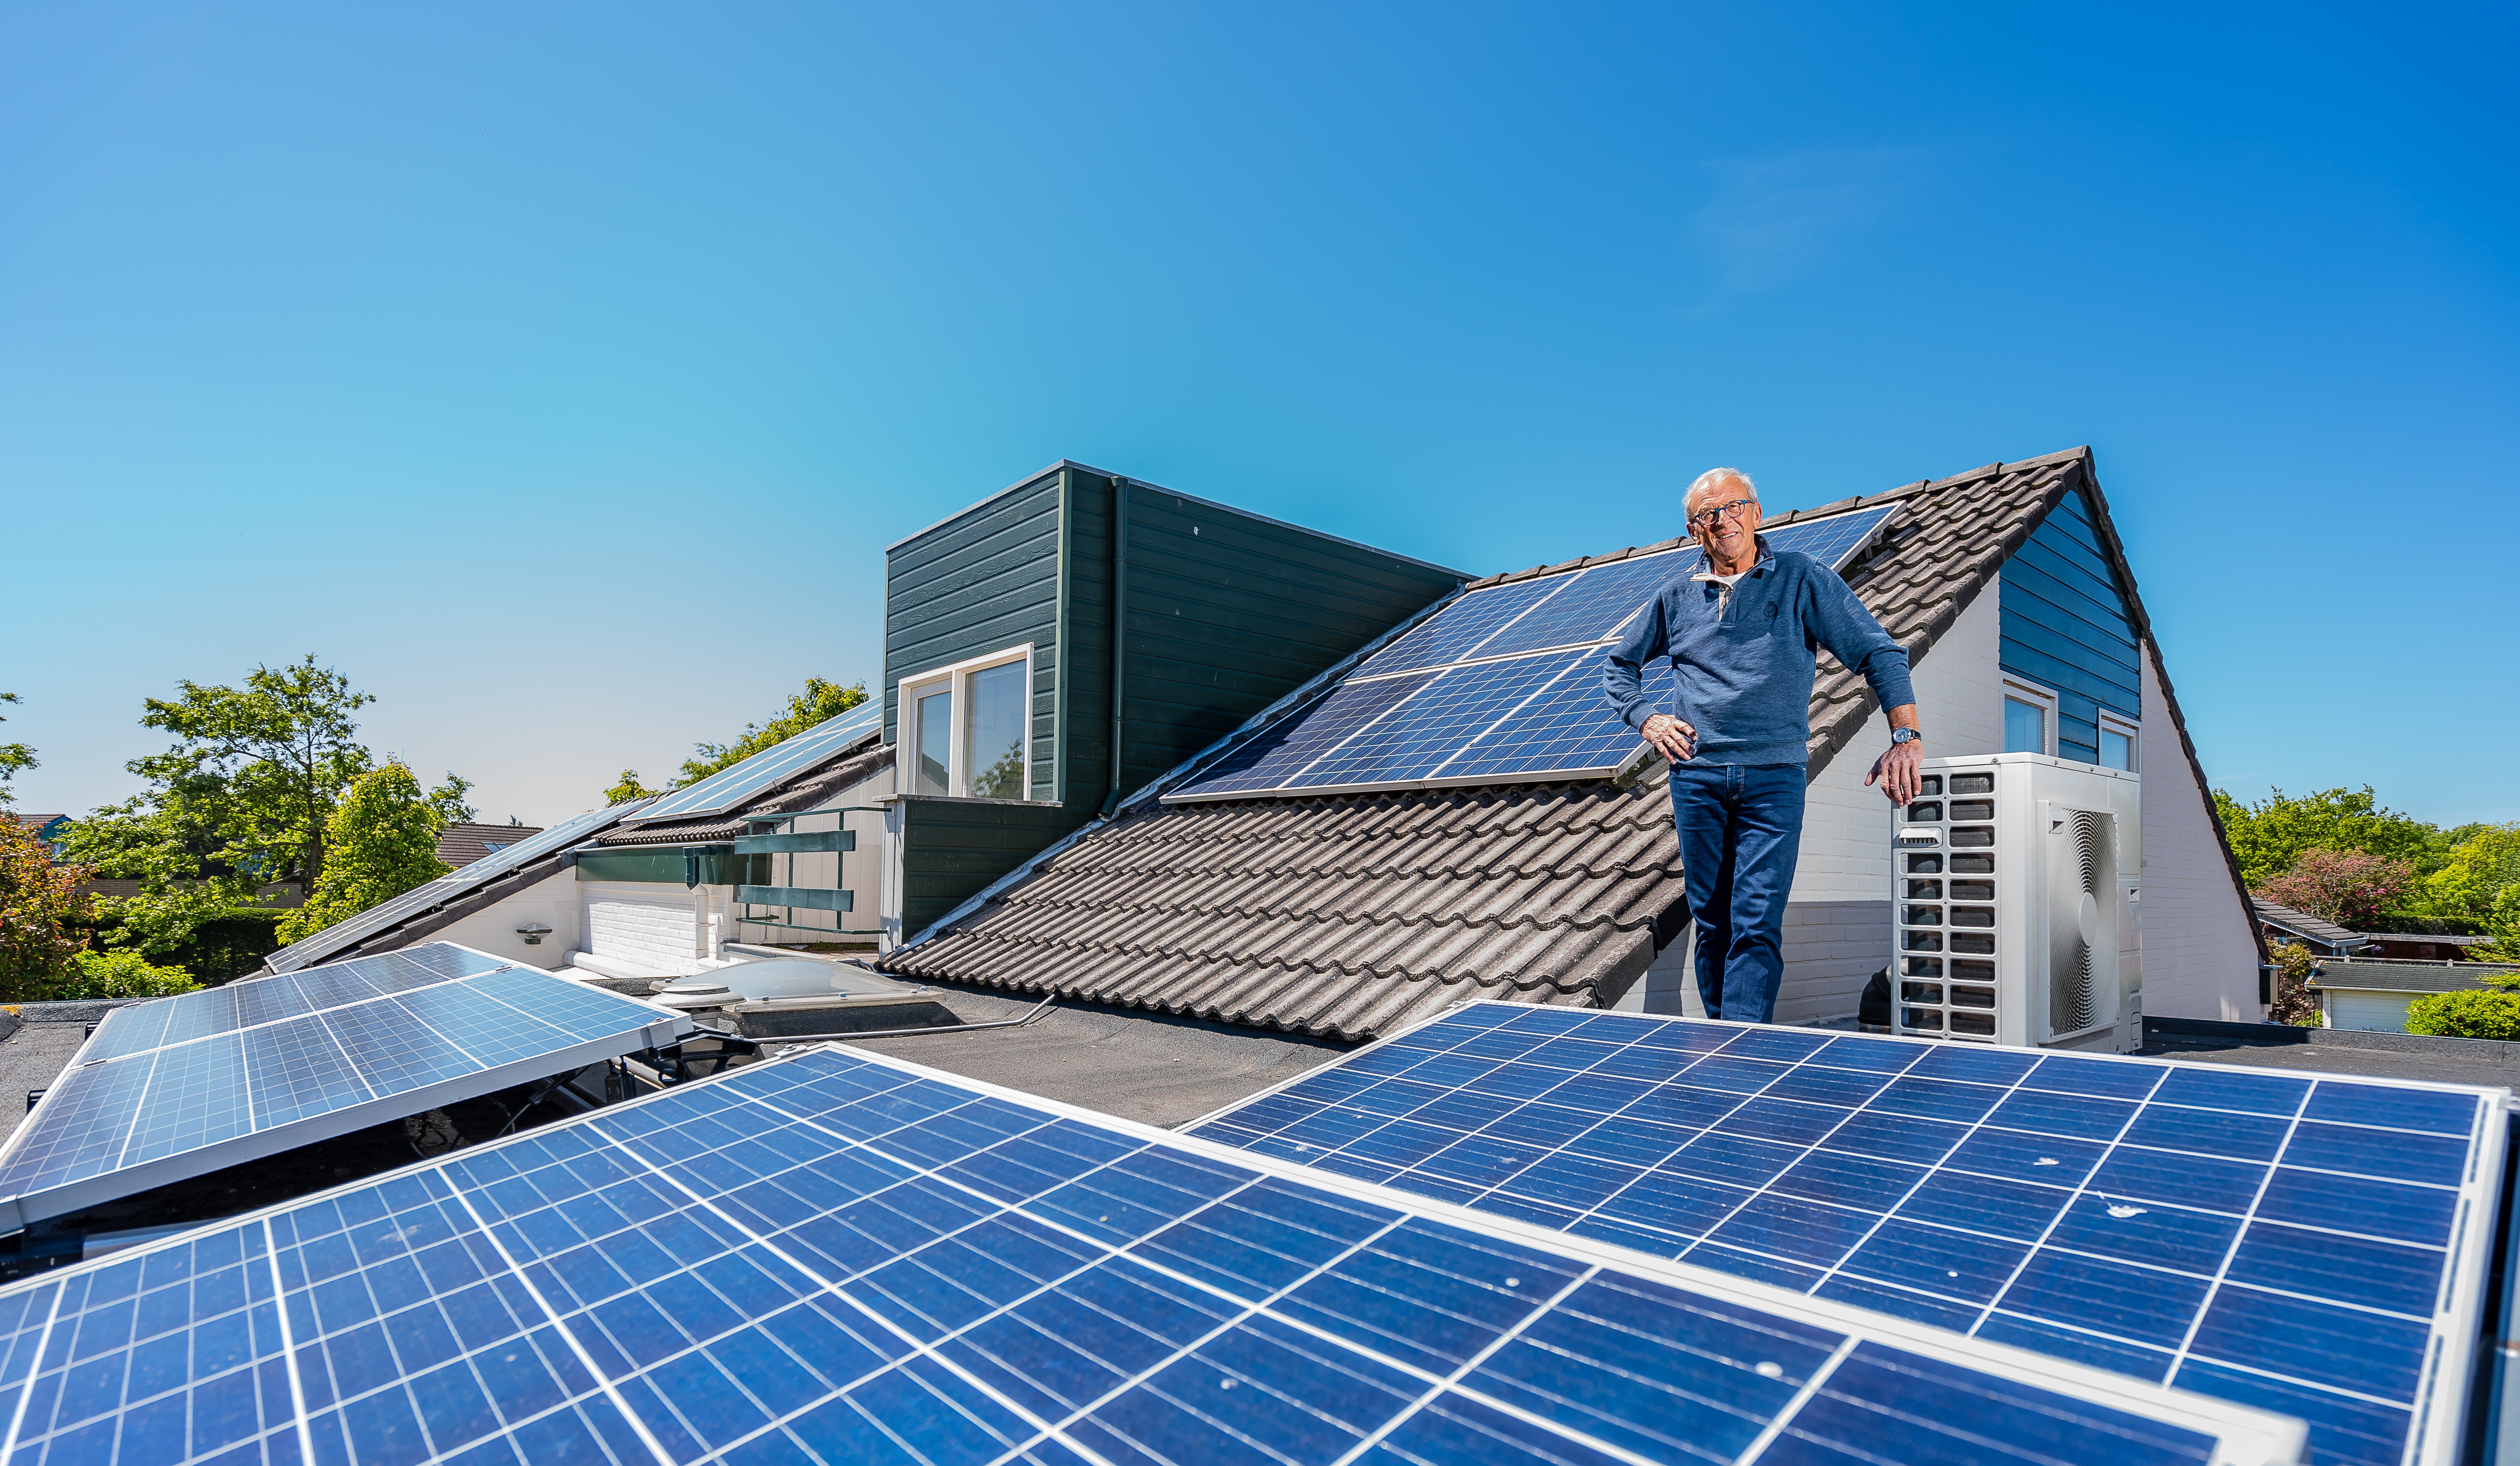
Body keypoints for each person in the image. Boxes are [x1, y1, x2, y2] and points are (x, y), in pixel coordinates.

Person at [1604, 466, 1923, 1024]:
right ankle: (1722, 1040)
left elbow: (1880, 653)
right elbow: (1619, 666)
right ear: (1692, 531)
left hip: (1774, 778)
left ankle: (1742, 1053)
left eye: (1732, 507)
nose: (1721, 521)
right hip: (1697, 778)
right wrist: (1646, 719)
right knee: (1714, 922)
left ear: (1755, 513)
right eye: (1707, 514)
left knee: (1755, 923)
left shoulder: (1802, 578)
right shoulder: (1676, 597)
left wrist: (1906, 737)